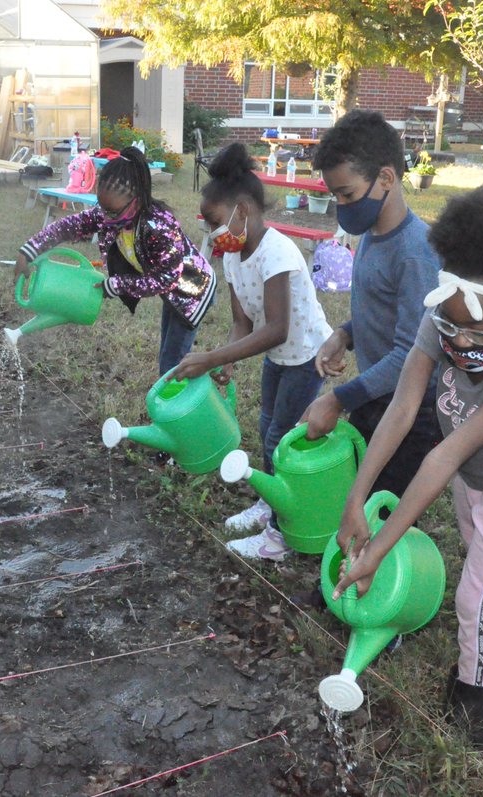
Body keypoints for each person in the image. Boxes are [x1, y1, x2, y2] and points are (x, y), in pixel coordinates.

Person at [331, 186, 483, 747]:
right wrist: (356, 498)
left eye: (477, 332)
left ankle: (470, 696)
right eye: (451, 328)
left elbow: (444, 453)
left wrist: (377, 550)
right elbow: (402, 411)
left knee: (473, 596)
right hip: (468, 481)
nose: (460, 342)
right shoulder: (440, 324)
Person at [171, 143, 333, 560]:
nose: (210, 232)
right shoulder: (232, 255)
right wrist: (223, 355)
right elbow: (243, 323)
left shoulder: (277, 253)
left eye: (214, 220)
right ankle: (269, 502)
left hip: (306, 356)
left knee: (282, 438)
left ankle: (279, 537)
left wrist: (212, 358)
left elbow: (277, 329)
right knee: (265, 427)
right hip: (279, 357)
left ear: (242, 209)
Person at [298, 110, 442, 501]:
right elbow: (381, 309)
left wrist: (337, 399)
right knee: (355, 491)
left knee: (381, 506)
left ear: (385, 179)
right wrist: (344, 334)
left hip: (412, 409)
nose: (342, 206)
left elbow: (413, 353)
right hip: (377, 393)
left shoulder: (415, 252)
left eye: (347, 194)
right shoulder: (373, 234)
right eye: (335, 196)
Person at [16, 146, 216, 375]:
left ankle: (178, 405)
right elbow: (68, 226)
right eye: (103, 209)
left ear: (137, 199)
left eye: (113, 212)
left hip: (192, 290)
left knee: (173, 362)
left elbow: (166, 279)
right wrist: (30, 250)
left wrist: (116, 285)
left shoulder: (160, 227)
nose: (106, 218)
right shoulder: (109, 212)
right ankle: (171, 395)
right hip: (171, 290)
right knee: (168, 354)